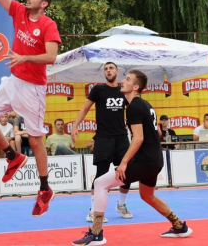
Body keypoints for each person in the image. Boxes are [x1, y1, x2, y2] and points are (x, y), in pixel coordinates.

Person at [0, 0, 61, 217]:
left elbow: (51, 57)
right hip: (13, 81)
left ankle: (45, 189)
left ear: (43, 3)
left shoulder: (48, 25)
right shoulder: (19, 12)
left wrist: (25, 58)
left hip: (33, 88)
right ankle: (13, 156)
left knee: (36, 140)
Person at [72, 70, 192, 245]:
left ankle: (96, 233)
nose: (122, 81)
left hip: (144, 160)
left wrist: (123, 162)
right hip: (155, 160)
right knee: (147, 195)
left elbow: (139, 138)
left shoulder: (134, 107)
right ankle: (179, 227)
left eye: (127, 79)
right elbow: (156, 132)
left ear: (135, 87)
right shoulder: (145, 105)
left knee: (100, 183)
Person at [71, 62, 132, 222]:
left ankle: (121, 204)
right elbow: (84, 109)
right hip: (104, 139)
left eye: (111, 68)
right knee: (101, 175)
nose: (108, 71)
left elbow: (134, 111)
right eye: (106, 69)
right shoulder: (98, 90)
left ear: (117, 72)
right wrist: (75, 125)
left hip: (122, 139)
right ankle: (93, 211)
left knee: (126, 174)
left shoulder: (124, 91)